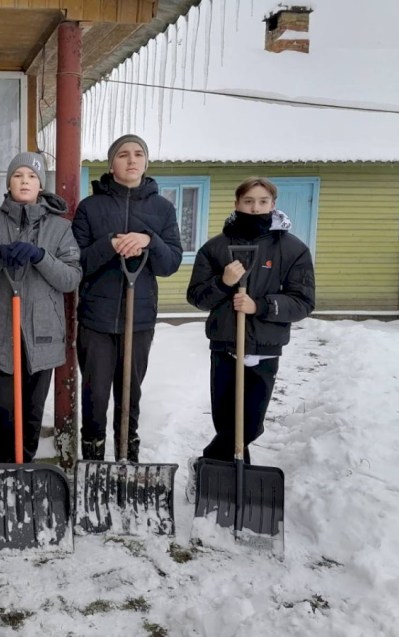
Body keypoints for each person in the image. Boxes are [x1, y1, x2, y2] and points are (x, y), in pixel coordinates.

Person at [186, 177, 315, 493]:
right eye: (248, 201)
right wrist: (224, 283)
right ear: (236, 204)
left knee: (250, 423)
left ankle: (208, 463)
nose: (255, 207)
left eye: (262, 202)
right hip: (225, 343)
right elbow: (197, 297)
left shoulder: (292, 249)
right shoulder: (215, 248)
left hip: (265, 346)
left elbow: (303, 302)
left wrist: (261, 305)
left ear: (273, 205)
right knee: (226, 419)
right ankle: (227, 480)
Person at [0, 152, 81, 464]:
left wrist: (41, 257)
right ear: (9, 182)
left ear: (40, 184)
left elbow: (70, 278)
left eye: (31, 176)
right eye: (18, 175)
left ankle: (24, 471)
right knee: (2, 409)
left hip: (42, 337)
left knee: (31, 414)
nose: (25, 181)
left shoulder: (59, 229)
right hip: (1, 335)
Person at [72, 134, 182, 463]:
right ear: (111, 164)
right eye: (123, 154)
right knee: (95, 395)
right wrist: (109, 244)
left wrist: (149, 239)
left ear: (146, 162)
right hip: (96, 321)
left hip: (140, 319)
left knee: (129, 395)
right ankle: (92, 463)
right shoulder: (90, 208)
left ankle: (126, 460)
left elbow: (170, 263)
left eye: (138, 154)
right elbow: (76, 262)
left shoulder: (162, 209)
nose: (131, 160)